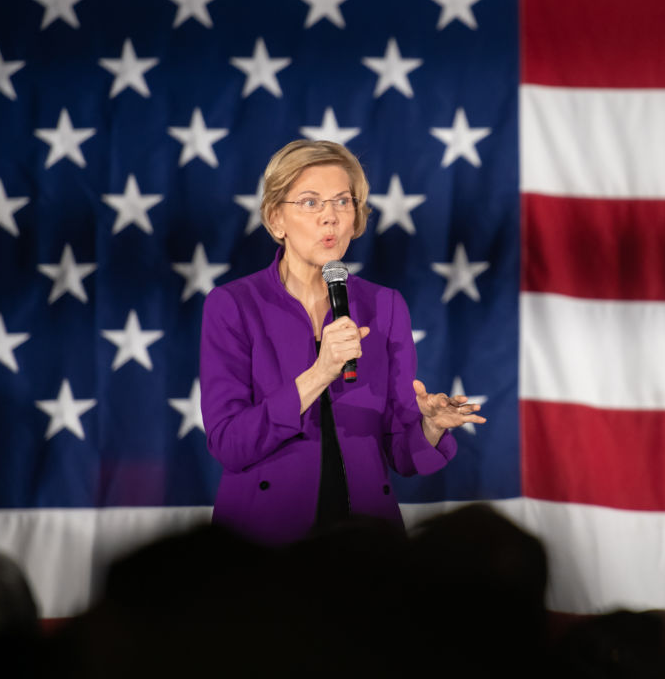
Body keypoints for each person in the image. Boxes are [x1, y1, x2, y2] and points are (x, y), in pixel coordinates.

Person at [200, 139, 485, 545]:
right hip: (262, 541)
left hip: (365, 539)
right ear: (276, 219)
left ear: (357, 217)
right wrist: (318, 374)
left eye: (342, 202)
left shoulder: (384, 306)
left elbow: (402, 456)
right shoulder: (233, 305)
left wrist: (430, 426)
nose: (330, 218)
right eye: (311, 203)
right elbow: (230, 444)